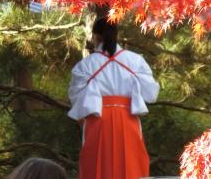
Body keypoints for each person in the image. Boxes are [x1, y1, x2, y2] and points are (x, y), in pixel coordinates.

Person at [68, 17, 160, 179]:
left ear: (95, 37)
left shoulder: (86, 65)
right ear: (116, 35)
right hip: (127, 118)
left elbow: (75, 97)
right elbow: (151, 94)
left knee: (96, 167)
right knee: (131, 166)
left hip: (97, 120)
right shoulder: (135, 61)